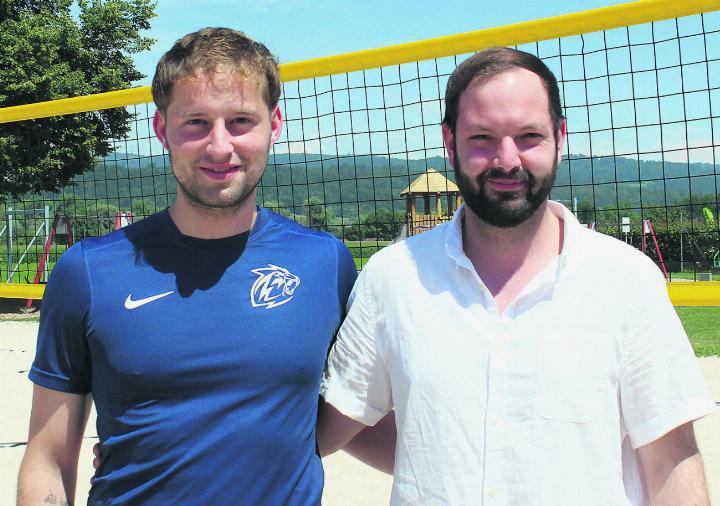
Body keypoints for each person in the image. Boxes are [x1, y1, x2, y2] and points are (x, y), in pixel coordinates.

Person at [318, 47, 716, 505]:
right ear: (450, 143)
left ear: (559, 137)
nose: (507, 160)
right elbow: (335, 423)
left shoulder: (626, 280)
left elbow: (671, 460)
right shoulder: (392, 278)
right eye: (483, 137)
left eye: (528, 136)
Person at [17, 28, 360, 505]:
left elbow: (357, 411)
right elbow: (48, 458)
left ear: (275, 124)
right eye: (196, 122)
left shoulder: (326, 263)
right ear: (162, 129)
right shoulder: (88, 272)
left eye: (241, 121)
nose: (220, 147)